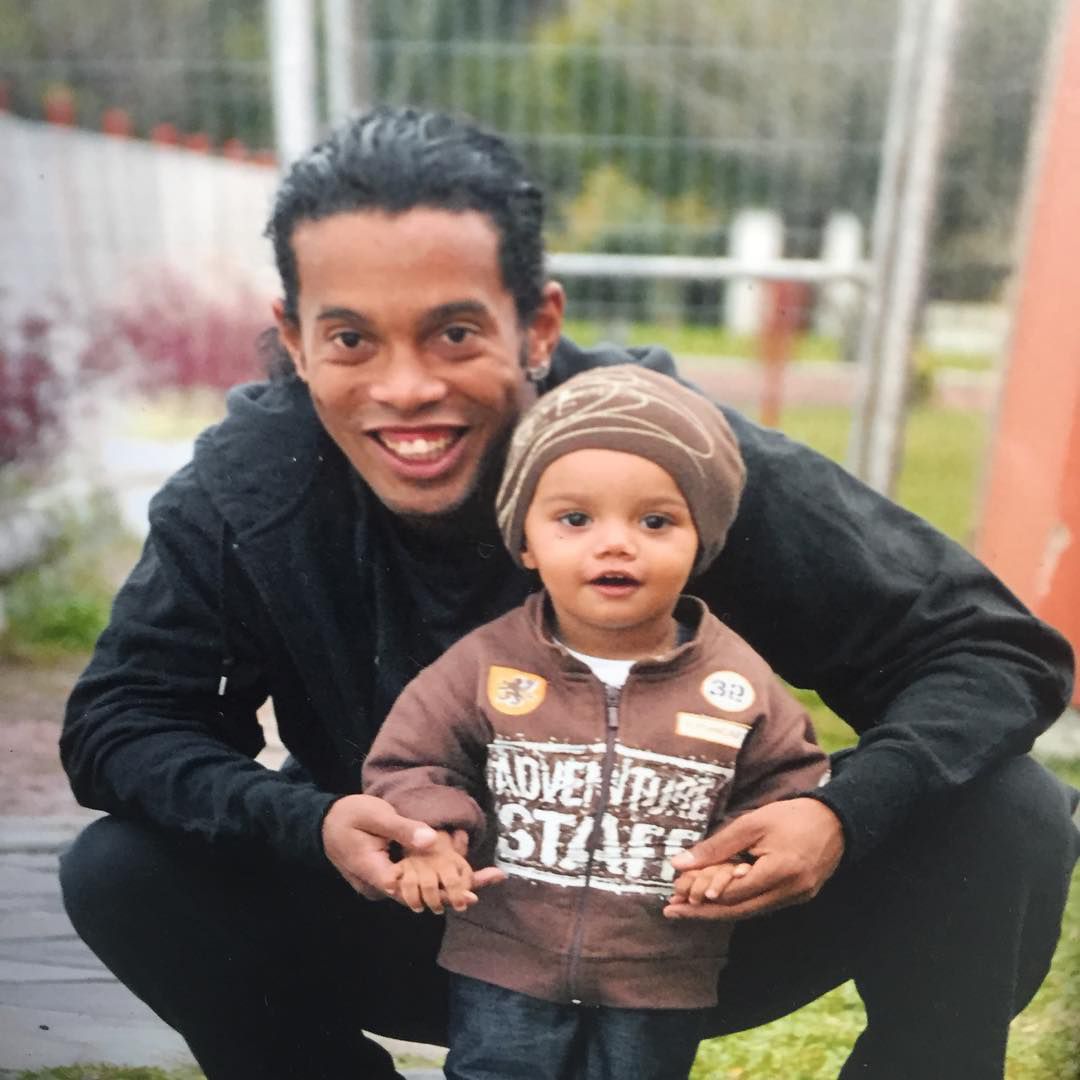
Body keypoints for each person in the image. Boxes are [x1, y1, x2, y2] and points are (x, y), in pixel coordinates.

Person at [58, 105, 1077, 1080]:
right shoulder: (246, 487)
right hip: (421, 918)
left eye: (455, 333)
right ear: (294, 338)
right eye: (352, 339)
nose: (406, 388)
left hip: (682, 930)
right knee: (123, 872)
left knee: (1007, 814)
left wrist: (840, 816)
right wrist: (312, 824)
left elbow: (992, 648)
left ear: (538, 324)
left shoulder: (667, 452)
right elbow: (123, 721)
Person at [362, 364, 832, 1080]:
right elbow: (411, 759)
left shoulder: (736, 681)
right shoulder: (486, 662)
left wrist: (738, 862)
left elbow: (789, 790)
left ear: (700, 541)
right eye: (575, 519)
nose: (616, 544)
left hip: (660, 968)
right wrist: (432, 835)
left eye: (655, 521)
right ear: (527, 542)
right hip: (506, 957)